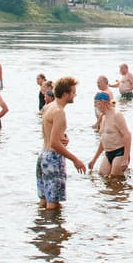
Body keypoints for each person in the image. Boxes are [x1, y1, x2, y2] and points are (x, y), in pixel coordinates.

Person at [38, 76, 87, 209]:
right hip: (53, 158)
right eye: (73, 92)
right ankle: (54, 229)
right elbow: (54, 143)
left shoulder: (48, 107)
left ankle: (43, 225)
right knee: (53, 205)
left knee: (44, 200)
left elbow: (49, 133)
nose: (75, 95)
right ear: (65, 94)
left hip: (43, 156)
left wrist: (63, 136)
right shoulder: (59, 112)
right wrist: (75, 160)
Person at [87, 90, 131, 177]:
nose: (95, 106)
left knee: (115, 179)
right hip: (108, 153)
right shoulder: (103, 117)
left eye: (96, 103)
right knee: (102, 176)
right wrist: (94, 160)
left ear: (103, 102)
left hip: (119, 152)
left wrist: (125, 158)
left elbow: (128, 135)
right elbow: (103, 140)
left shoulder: (116, 115)